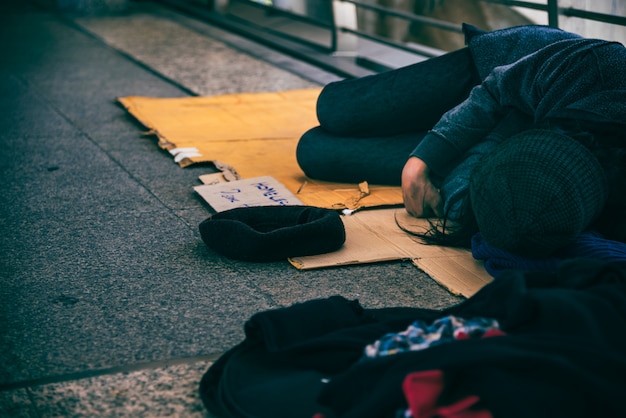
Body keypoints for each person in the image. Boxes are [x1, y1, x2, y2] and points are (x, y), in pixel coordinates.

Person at [296, 23, 626, 265]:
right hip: (493, 75)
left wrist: (461, 186)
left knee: (313, 151)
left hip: (507, 152)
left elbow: (479, 204)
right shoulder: (599, 66)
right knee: (335, 109)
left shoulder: (558, 204)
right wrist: (422, 159)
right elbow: (495, 90)